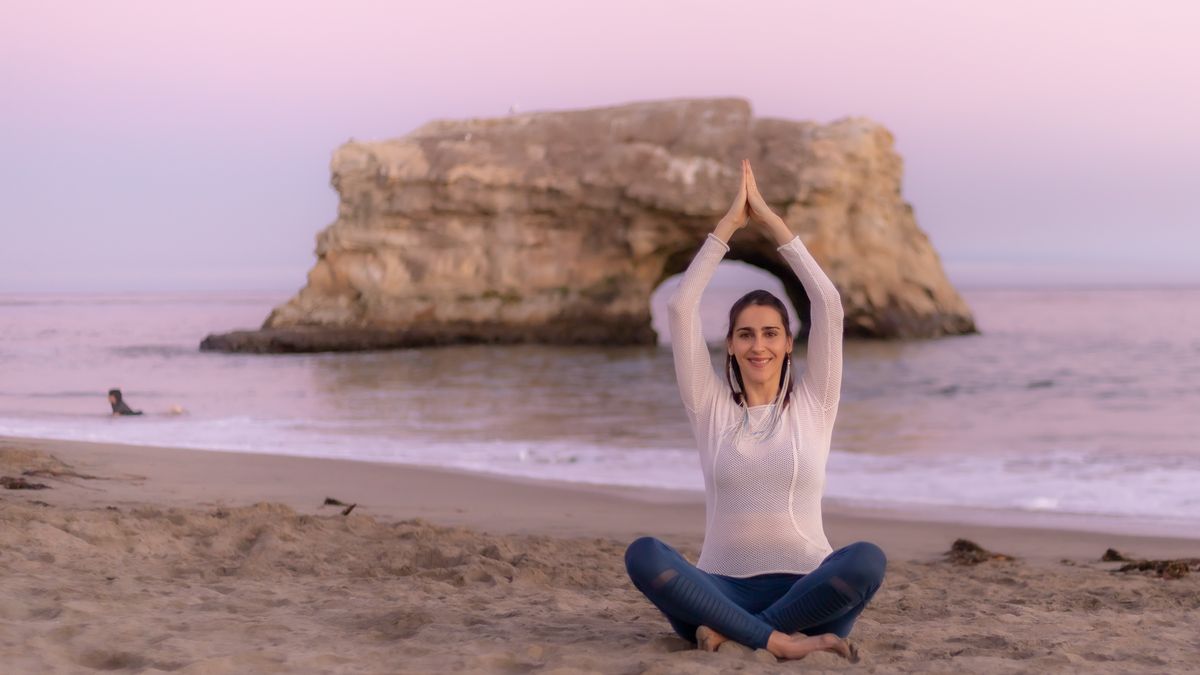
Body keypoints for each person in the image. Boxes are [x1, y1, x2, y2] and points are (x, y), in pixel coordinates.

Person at [624, 160, 886, 661]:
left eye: (770, 333)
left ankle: (742, 633)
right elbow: (681, 308)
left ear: (790, 344)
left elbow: (827, 303)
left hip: (810, 591)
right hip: (719, 591)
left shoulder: (816, 403)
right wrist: (726, 229)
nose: (757, 345)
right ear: (729, 346)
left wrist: (772, 224)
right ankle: (776, 641)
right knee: (644, 554)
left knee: (866, 560)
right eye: (745, 334)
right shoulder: (709, 407)